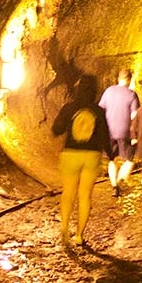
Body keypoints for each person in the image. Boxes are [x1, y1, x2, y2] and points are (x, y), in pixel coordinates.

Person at [51, 75, 110, 247]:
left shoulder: (69, 108)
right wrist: (112, 156)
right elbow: (105, 137)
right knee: (85, 196)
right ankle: (79, 236)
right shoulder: (99, 111)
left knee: (68, 194)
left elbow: (57, 129)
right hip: (91, 156)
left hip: (71, 154)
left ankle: (64, 229)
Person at [98, 68, 140, 196]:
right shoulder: (132, 94)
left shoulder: (108, 91)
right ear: (129, 79)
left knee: (111, 160)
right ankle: (119, 180)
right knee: (130, 160)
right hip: (124, 132)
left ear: (118, 78)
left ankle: (114, 186)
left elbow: (101, 109)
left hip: (109, 131)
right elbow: (134, 116)